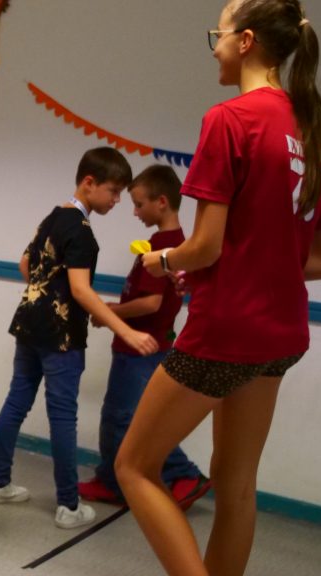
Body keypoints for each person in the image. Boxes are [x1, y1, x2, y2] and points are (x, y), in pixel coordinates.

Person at [116, 2, 321, 574]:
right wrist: (257, 264)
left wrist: (163, 259)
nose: (215, 47)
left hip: (226, 331)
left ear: (246, 41)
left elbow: (205, 247)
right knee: (236, 483)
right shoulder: (313, 130)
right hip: (282, 332)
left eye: (219, 34)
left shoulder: (230, 119)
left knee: (134, 467)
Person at [0, 147, 159, 530]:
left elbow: (26, 264)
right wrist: (126, 330)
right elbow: (80, 290)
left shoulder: (52, 217)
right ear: (89, 183)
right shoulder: (81, 231)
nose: (116, 200)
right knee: (63, 416)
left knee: (16, 401)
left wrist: (46, 293)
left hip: (29, 324)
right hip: (61, 336)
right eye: (113, 191)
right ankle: (68, 505)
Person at [78, 165, 211, 508]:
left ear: (161, 202)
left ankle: (153, 477)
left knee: (119, 417)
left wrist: (109, 313)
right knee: (141, 418)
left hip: (139, 347)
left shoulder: (163, 246)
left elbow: (151, 303)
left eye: (139, 204)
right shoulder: (179, 244)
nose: (135, 212)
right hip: (156, 345)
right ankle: (166, 475)